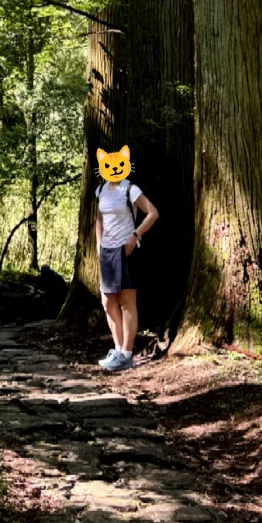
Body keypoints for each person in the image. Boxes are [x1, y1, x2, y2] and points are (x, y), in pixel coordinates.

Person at [93, 145, 159, 373]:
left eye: (119, 164)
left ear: (126, 163)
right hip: (107, 252)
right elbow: (99, 221)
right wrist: (99, 246)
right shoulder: (100, 190)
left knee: (126, 301)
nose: (114, 169)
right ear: (102, 166)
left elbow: (152, 213)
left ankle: (127, 354)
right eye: (109, 166)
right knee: (108, 302)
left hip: (126, 250)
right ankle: (119, 349)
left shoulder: (130, 189)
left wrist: (135, 235)